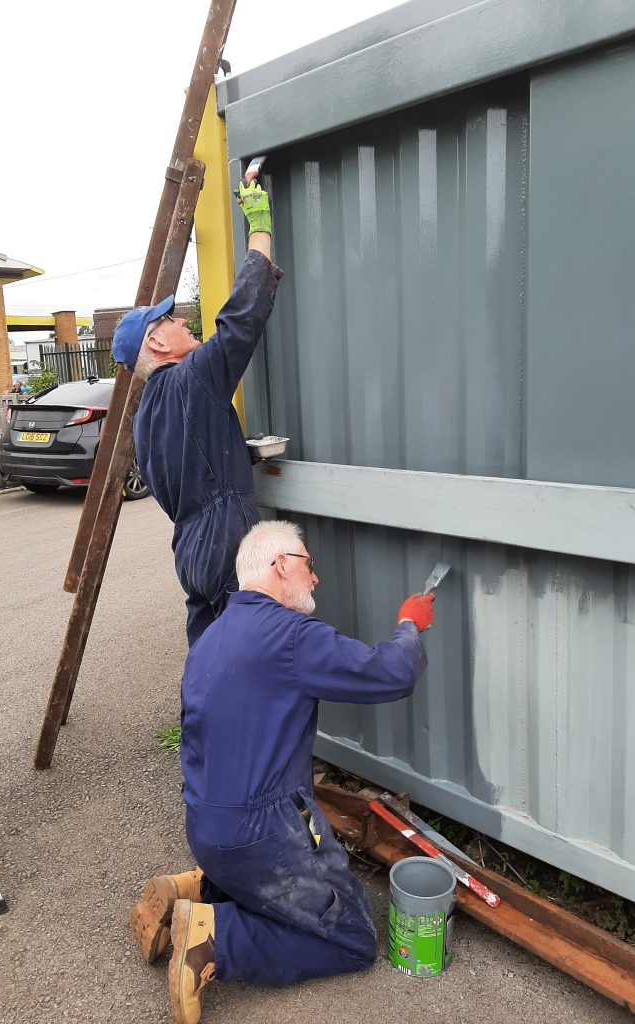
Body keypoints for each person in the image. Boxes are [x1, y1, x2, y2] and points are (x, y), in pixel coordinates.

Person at [134, 520, 436, 1024]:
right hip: (261, 837)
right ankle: (212, 939)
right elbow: (390, 673)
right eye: (309, 565)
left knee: (269, 884)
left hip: (205, 827)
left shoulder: (209, 639)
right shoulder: (290, 637)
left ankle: (196, 890)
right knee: (354, 937)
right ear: (279, 565)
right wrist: (409, 623)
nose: (315, 578)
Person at [111, 180, 281, 647]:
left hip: (190, 552)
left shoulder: (146, 417)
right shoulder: (193, 379)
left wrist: (235, 453)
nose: (184, 321)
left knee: (208, 663)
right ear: (157, 342)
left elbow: (192, 464)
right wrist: (260, 227)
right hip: (229, 547)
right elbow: (242, 316)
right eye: (171, 319)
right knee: (253, 662)